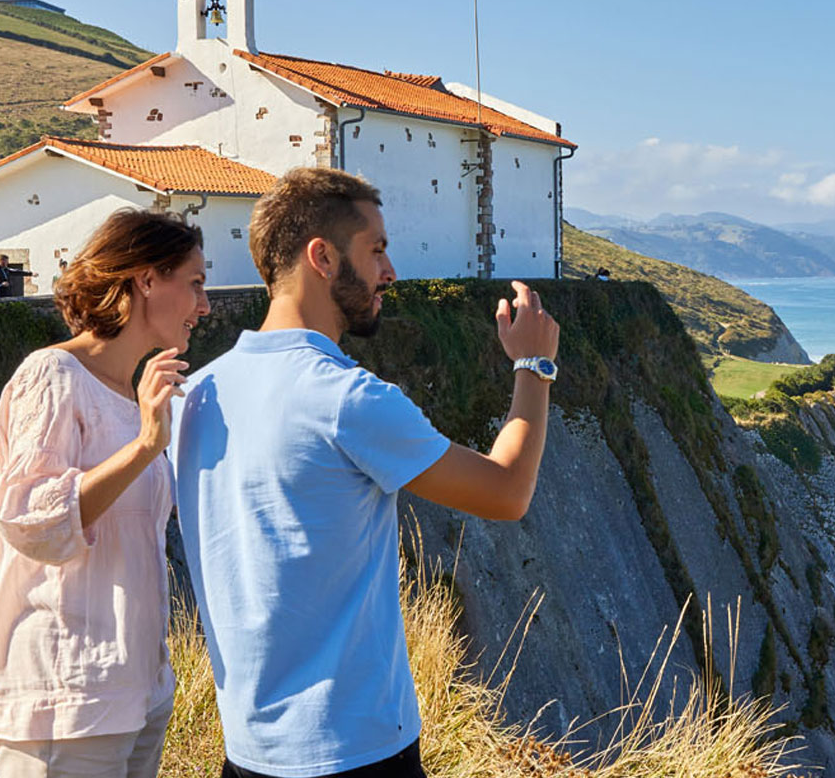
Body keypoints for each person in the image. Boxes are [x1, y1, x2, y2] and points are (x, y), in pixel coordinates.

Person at [173, 167, 561, 778]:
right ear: (322, 257)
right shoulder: (348, 398)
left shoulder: (193, 395)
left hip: (247, 751)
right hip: (354, 748)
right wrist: (534, 364)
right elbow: (507, 490)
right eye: (376, 249)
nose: (390, 271)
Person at [0, 210, 209, 777]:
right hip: (64, 695)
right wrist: (148, 445)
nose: (204, 305)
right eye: (195, 283)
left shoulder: (131, 397)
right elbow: (30, 519)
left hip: (137, 691)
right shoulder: (52, 375)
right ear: (146, 279)